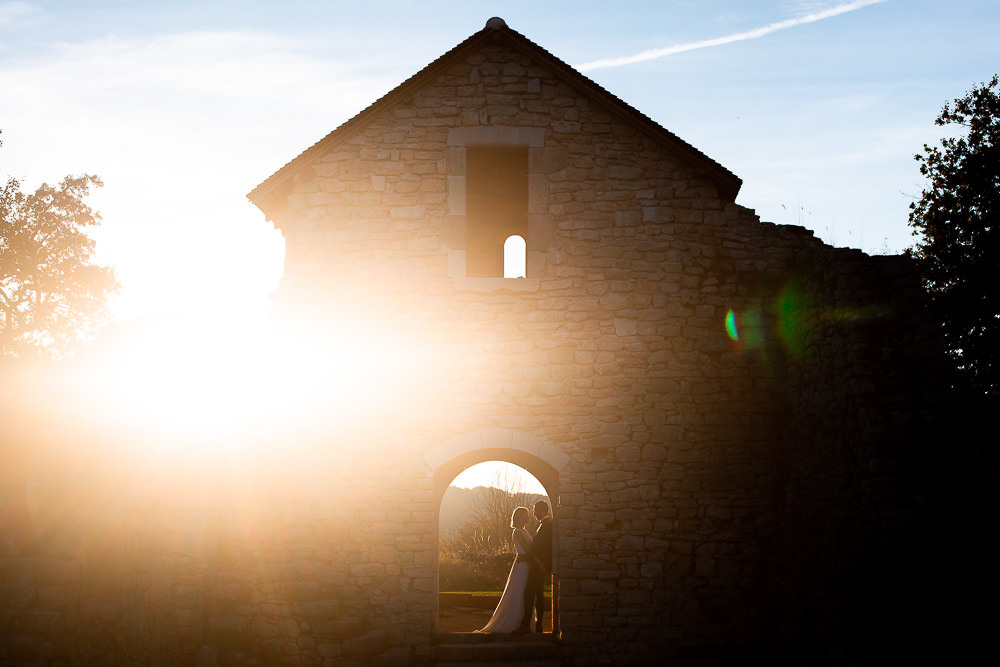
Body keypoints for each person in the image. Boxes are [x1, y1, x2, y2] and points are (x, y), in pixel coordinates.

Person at [477, 506, 534, 633]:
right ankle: (514, 622)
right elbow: (528, 549)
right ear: (520, 517)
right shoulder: (517, 532)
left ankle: (525, 622)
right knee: (519, 592)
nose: (528, 517)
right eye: (526, 515)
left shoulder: (524, 531)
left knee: (525, 592)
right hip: (522, 566)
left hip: (526, 563)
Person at [517, 500, 552, 634]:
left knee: (529, 594)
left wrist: (529, 558)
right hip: (539, 564)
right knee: (539, 595)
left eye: (534, 510)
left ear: (541, 510)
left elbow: (542, 548)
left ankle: (526, 625)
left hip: (538, 566)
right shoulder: (544, 525)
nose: (533, 513)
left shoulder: (546, 526)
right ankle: (538, 625)